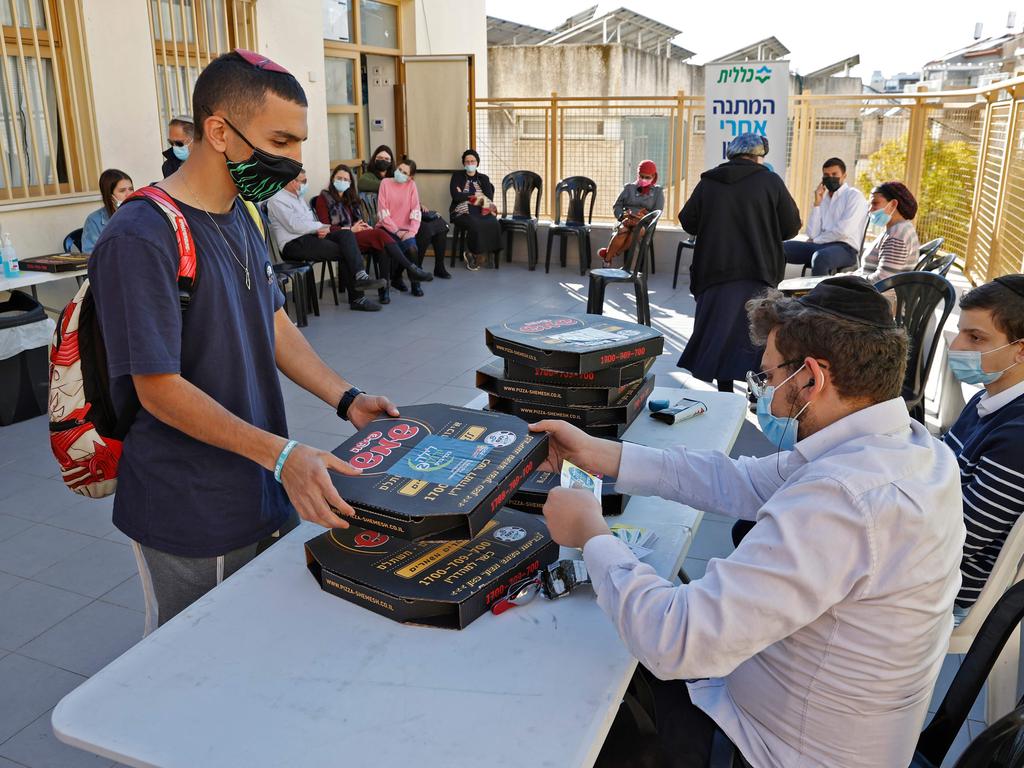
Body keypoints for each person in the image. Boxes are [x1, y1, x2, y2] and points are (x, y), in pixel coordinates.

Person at [532, 275, 964, 768]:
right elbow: (738, 480)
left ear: (810, 378)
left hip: (772, 750)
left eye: (769, 377)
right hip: (818, 722)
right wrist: (600, 454)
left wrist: (591, 533)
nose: (769, 396)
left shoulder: (843, 499)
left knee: (578, 694)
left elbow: (675, 641)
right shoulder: (910, 448)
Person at [88, 49, 400, 627]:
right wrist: (282, 456)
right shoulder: (141, 235)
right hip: (190, 506)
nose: (295, 161)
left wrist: (346, 398)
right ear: (219, 132)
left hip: (261, 483)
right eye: (280, 141)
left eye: (299, 143)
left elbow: (273, 323)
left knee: (263, 639)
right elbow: (157, 388)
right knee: (195, 659)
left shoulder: (243, 214)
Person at [677, 133, 801, 392]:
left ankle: (724, 388)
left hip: (714, 271)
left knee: (720, 333)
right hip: (759, 271)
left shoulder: (709, 182)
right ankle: (758, 390)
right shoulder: (770, 181)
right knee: (758, 332)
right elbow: (790, 228)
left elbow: (688, 221)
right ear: (759, 156)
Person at [944, 275, 1024, 621]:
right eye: (961, 331)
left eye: (975, 338)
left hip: (951, 586)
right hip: (927, 548)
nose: (956, 347)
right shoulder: (986, 397)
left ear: (1020, 350)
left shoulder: (1018, 436)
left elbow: (960, 539)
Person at [313, 163, 433, 304]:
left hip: (355, 234)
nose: (342, 182)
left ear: (350, 183)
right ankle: (411, 268)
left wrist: (363, 226)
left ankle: (384, 289)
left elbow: (357, 220)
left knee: (381, 245)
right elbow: (325, 227)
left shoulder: (350, 197)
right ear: (333, 179)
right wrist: (350, 229)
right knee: (380, 235)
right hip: (340, 237)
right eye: (339, 178)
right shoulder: (323, 198)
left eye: (346, 179)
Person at [268, 168, 386, 312]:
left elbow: (308, 222)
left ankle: (361, 276)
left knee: (346, 236)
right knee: (346, 250)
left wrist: (322, 229)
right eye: (304, 181)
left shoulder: (297, 197)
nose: (306, 184)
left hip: (309, 237)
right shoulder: (277, 199)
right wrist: (322, 227)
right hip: (293, 244)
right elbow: (295, 226)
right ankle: (358, 297)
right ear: (292, 181)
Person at [783, 157, 868, 276]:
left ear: (844, 176)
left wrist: (817, 240)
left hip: (846, 249)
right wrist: (817, 203)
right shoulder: (823, 198)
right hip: (820, 246)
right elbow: (812, 233)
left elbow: (843, 231)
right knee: (780, 248)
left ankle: (819, 294)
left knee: (820, 257)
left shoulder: (854, 196)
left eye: (834, 174)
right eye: (826, 175)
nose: (830, 178)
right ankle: (772, 289)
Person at [376, 157, 432, 296]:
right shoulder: (385, 183)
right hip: (386, 227)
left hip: (406, 229)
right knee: (384, 251)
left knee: (412, 248)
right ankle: (384, 289)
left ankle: (415, 284)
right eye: (399, 169)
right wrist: (396, 231)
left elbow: (415, 211)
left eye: (404, 172)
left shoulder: (411, 186)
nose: (400, 173)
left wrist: (412, 232)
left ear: (410, 177)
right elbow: (383, 213)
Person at [599, 159, 665, 267]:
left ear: (654, 176)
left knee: (637, 230)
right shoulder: (629, 188)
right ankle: (607, 261)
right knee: (623, 230)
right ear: (638, 175)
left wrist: (643, 217)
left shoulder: (658, 192)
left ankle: (610, 255)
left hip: (644, 223)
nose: (643, 179)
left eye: (647, 177)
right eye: (641, 176)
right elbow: (617, 205)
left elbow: (657, 212)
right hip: (626, 220)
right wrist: (622, 216)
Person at [855, 180, 920, 284]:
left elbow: (883, 280)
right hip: (868, 290)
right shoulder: (897, 229)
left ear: (893, 204)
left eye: (875, 203)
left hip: (876, 296)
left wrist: (849, 281)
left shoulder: (897, 235)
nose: (870, 210)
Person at [449, 149, 502, 271]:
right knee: (475, 223)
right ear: (464, 164)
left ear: (477, 163)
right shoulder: (457, 176)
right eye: (467, 162)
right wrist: (478, 196)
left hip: (480, 210)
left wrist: (466, 195)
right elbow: (456, 197)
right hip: (461, 212)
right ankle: (472, 253)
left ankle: (489, 253)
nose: (470, 164)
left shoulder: (484, 178)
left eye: (472, 161)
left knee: (494, 222)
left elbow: (489, 198)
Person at [82, 169, 134, 253]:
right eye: (122, 191)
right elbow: (90, 254)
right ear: (110, 196)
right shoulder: (94, 221)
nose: (129, 194)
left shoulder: (139, 214)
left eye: (131, 189)